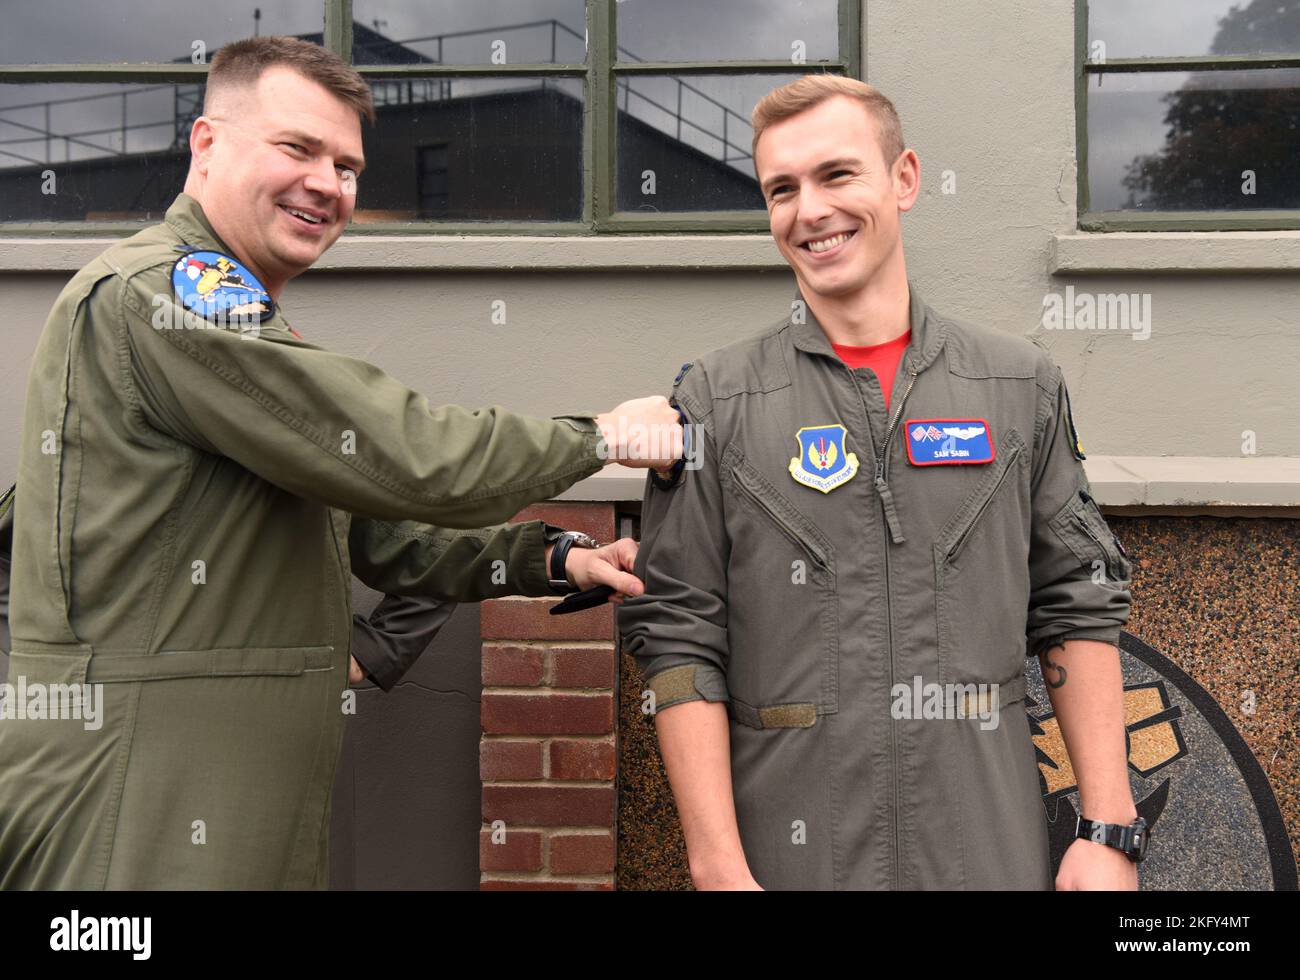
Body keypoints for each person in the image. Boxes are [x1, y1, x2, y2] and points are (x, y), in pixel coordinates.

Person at [0, 36, 679, 889]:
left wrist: (546, 556)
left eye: (348, 166)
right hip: (142, 804)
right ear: (206, 145)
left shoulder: (229, 322)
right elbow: (405, 453)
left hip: (215, 794)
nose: (328, 182)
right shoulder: (167, 297)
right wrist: (603, 435)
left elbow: (365, 528)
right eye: (298, 147)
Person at [619, 75, 1142, 890]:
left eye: (837, 175)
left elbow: (1077, 596)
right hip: (790, 859)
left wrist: (1107, 831)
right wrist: (717, 866)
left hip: (983, 853)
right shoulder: (715, 403)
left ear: (903, 180)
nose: (810, 211)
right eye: (781, 189)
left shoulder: (1018, 386)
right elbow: (680, 637)